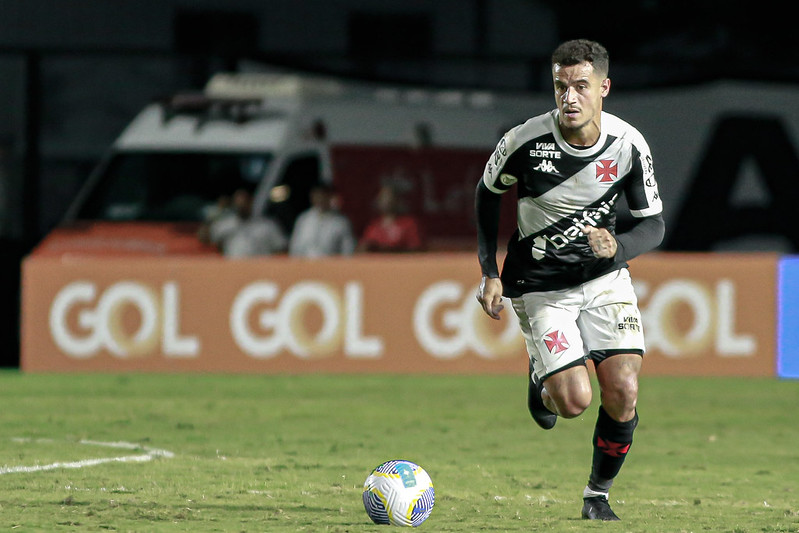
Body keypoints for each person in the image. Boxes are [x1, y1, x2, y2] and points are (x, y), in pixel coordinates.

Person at [475, 39, 665, 521]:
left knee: (623, 388)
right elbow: (485, 193)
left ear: (603, 87)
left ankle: (597, 495)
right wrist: (487, 270)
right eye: (561, 86)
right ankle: (542, 381)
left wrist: (618, 249)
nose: (570, 98)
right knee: (575, 402)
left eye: (581, 86)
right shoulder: (525, 141)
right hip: (540, 285)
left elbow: (654, 223)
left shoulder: (628, 145)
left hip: (605, 280)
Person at [201, 188, 288, 257]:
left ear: (251, 202)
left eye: (244, 202)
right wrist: (217, 212)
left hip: (260, 270)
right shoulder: (225, 224)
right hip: (232, 270)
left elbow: (281, 249)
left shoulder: (267, 225)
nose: (241, 205)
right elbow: (204, 238)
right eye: (238, 202)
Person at [289, 183, 356, 257]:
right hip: (304, 265)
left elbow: (348, 251)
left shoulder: (341, 222)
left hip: (330, 266)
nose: (320, 199)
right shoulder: (304, 219)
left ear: (330, 196)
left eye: (323, 195)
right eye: (317, 195)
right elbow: (294, 248)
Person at [358, 184, 424, 253]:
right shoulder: (373, 226)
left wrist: (390, 250)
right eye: (382, 198)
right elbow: (364, 248)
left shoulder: (409, 223)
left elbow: (416, 249)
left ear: (397, 200)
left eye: (389, 197)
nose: (386, 201)